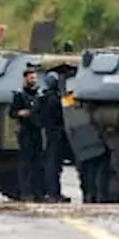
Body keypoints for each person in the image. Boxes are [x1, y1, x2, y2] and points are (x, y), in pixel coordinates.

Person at [8, 67, 44, 202]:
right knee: (25, 164)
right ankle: (26, 192)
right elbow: (12, 113)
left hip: (37, 131)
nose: (33, 80)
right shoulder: (19, 95)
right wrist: (20, 113)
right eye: (31, 78)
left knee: (38, 163)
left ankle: (38, 192)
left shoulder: (39, 95)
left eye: (35, 77)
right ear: (25, 79)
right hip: (25, 131)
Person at [38, 71, 72, 203]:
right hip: (55, 134)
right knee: (53, 166)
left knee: (50, 165)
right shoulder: (54, 98)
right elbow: (64, 108)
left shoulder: (43, 97)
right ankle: (53, 194)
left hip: (47, 134)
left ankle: (51, 193)